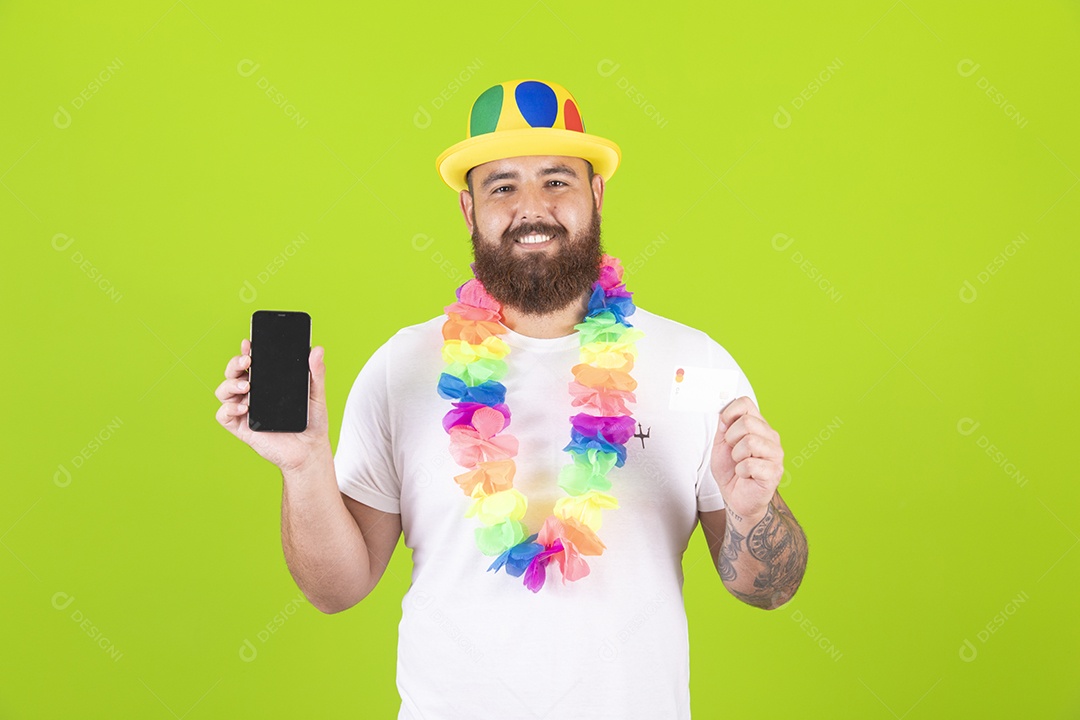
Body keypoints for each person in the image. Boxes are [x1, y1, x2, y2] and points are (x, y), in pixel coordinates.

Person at [215, 78, 808, 719]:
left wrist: (752, 512)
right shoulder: (401, 368)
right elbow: (336, 591)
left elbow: (768, 590)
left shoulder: (694, 364)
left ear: (596, 195)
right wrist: (304, 467)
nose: (532, 208)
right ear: (468, 210)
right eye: (502, 186)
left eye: (556, 180)